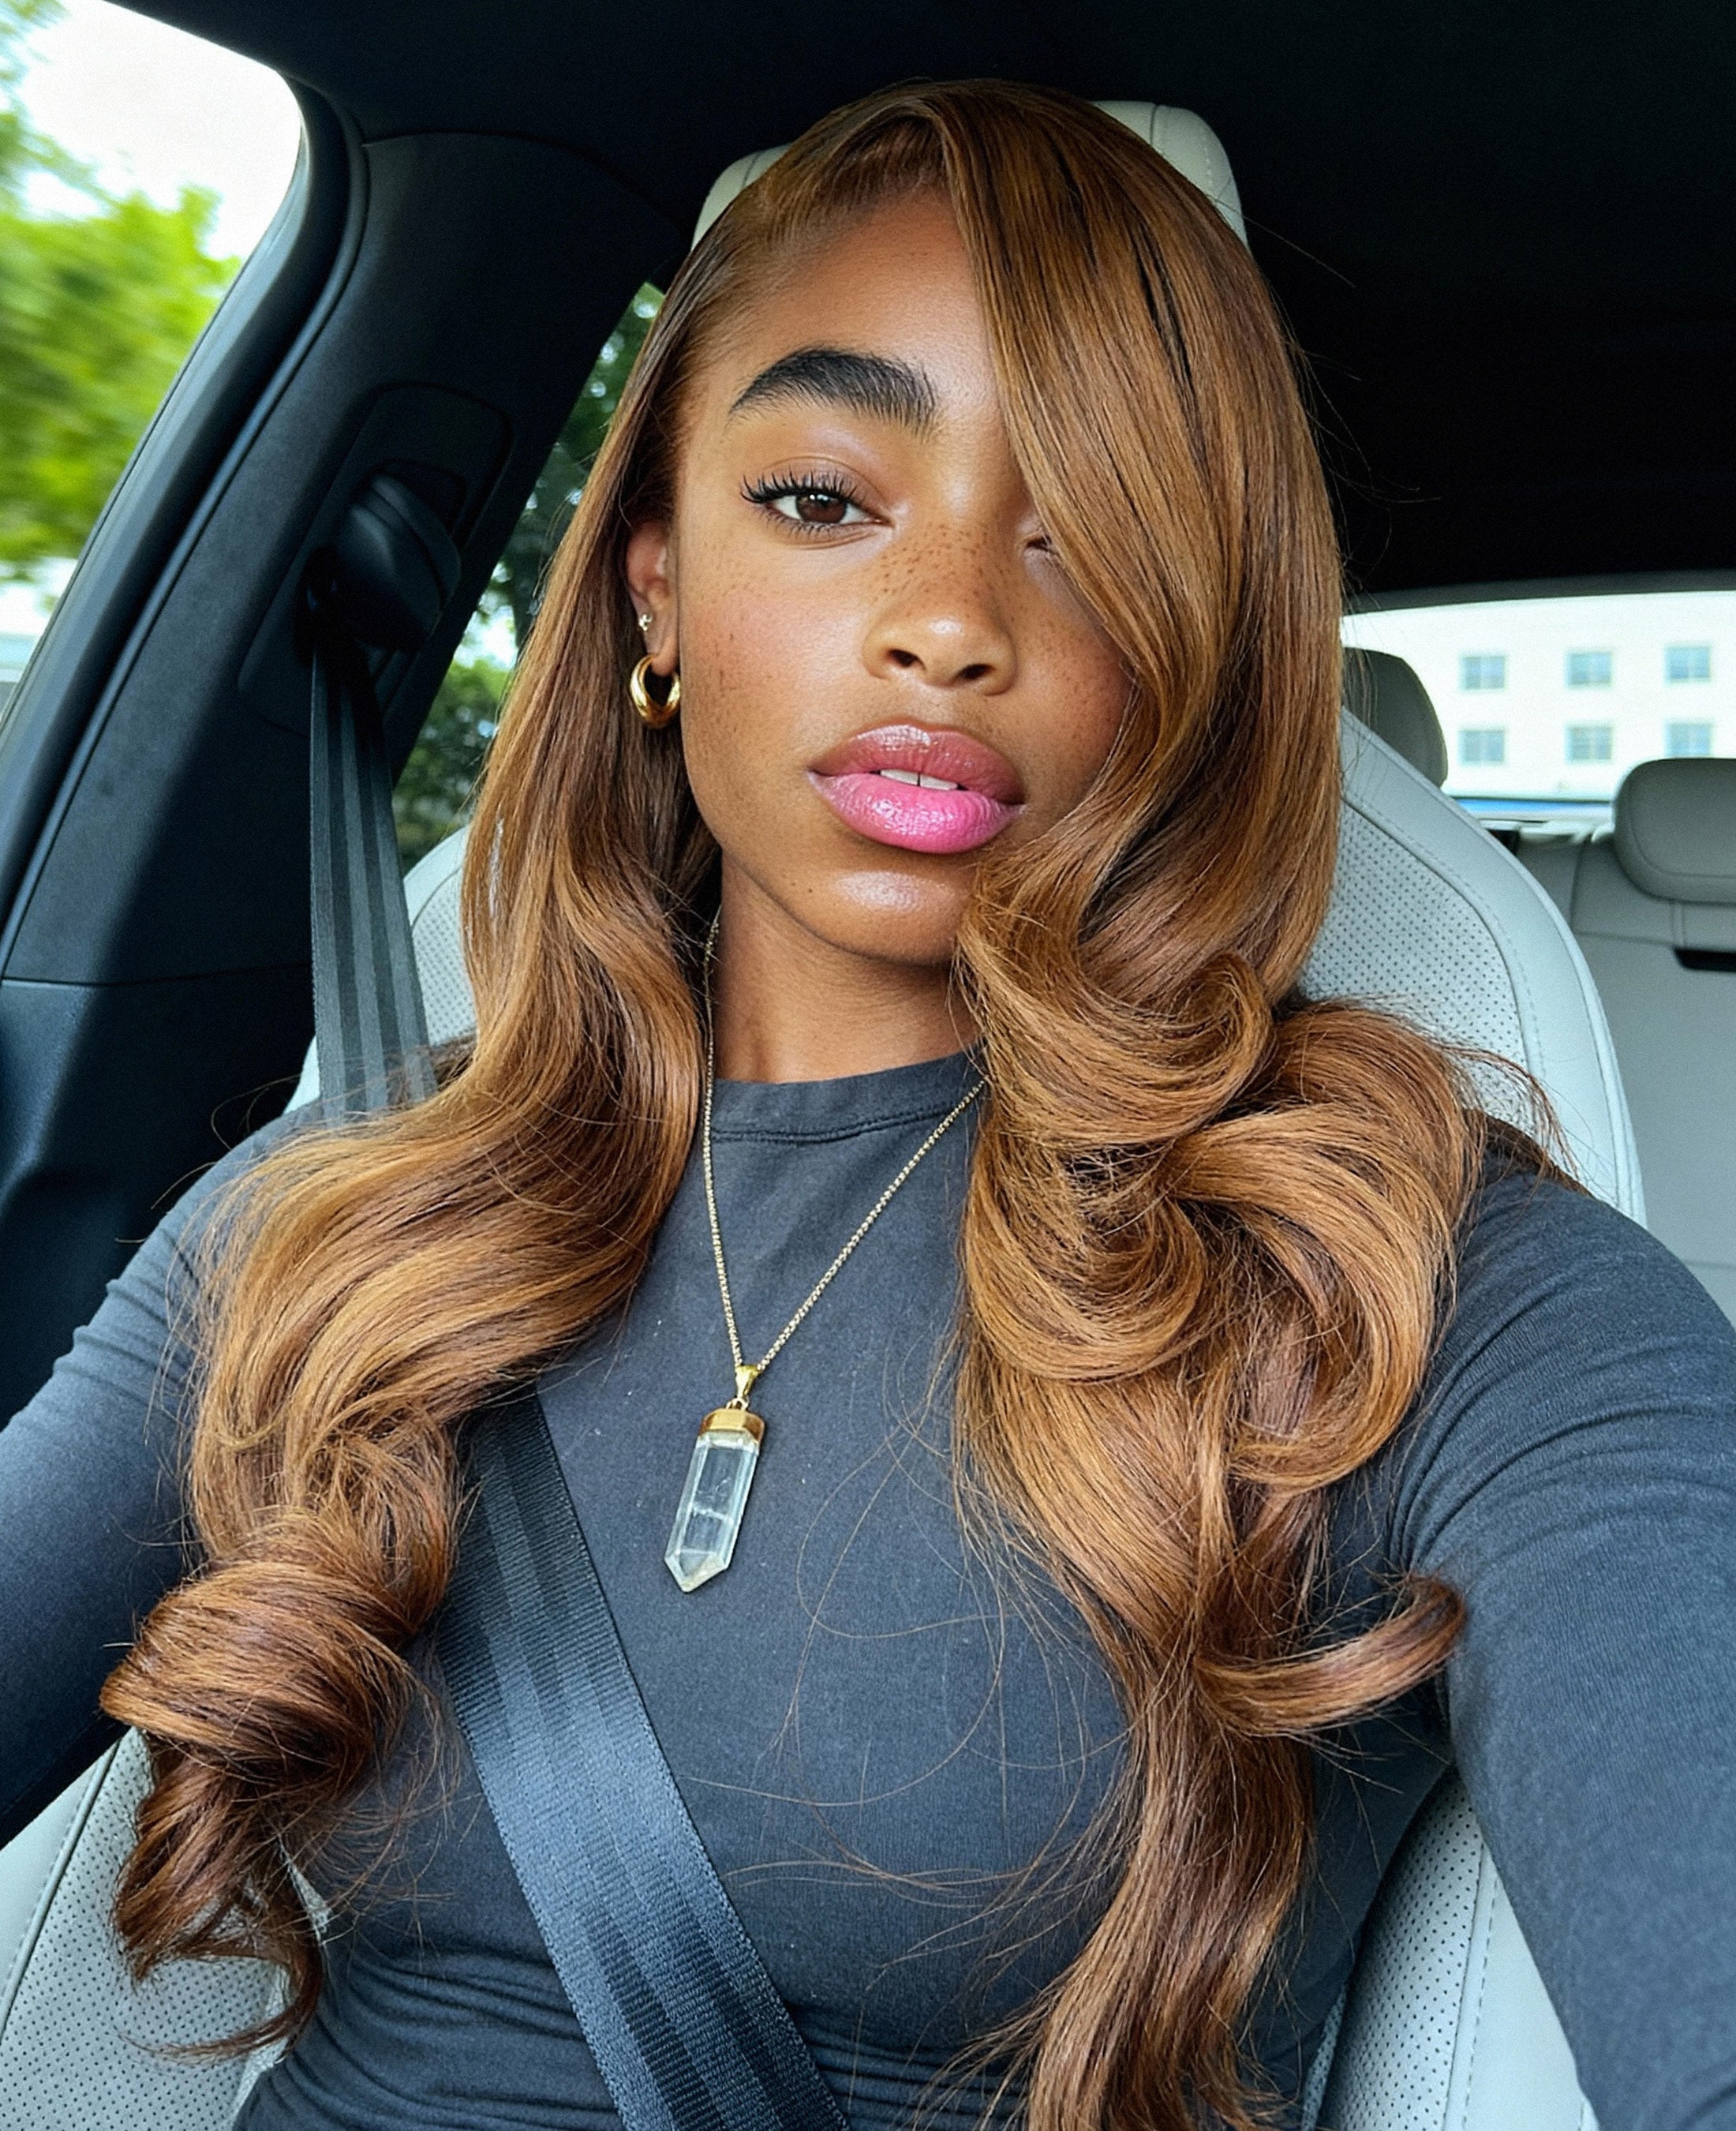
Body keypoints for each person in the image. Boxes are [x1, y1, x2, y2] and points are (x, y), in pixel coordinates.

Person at [2, 78, 1734, 2131]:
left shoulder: (1420, 1291)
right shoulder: (353, 1214)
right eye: (826, 499)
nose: (951, 623)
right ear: (653, 586)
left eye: (1092, 533)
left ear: (1206, 660)